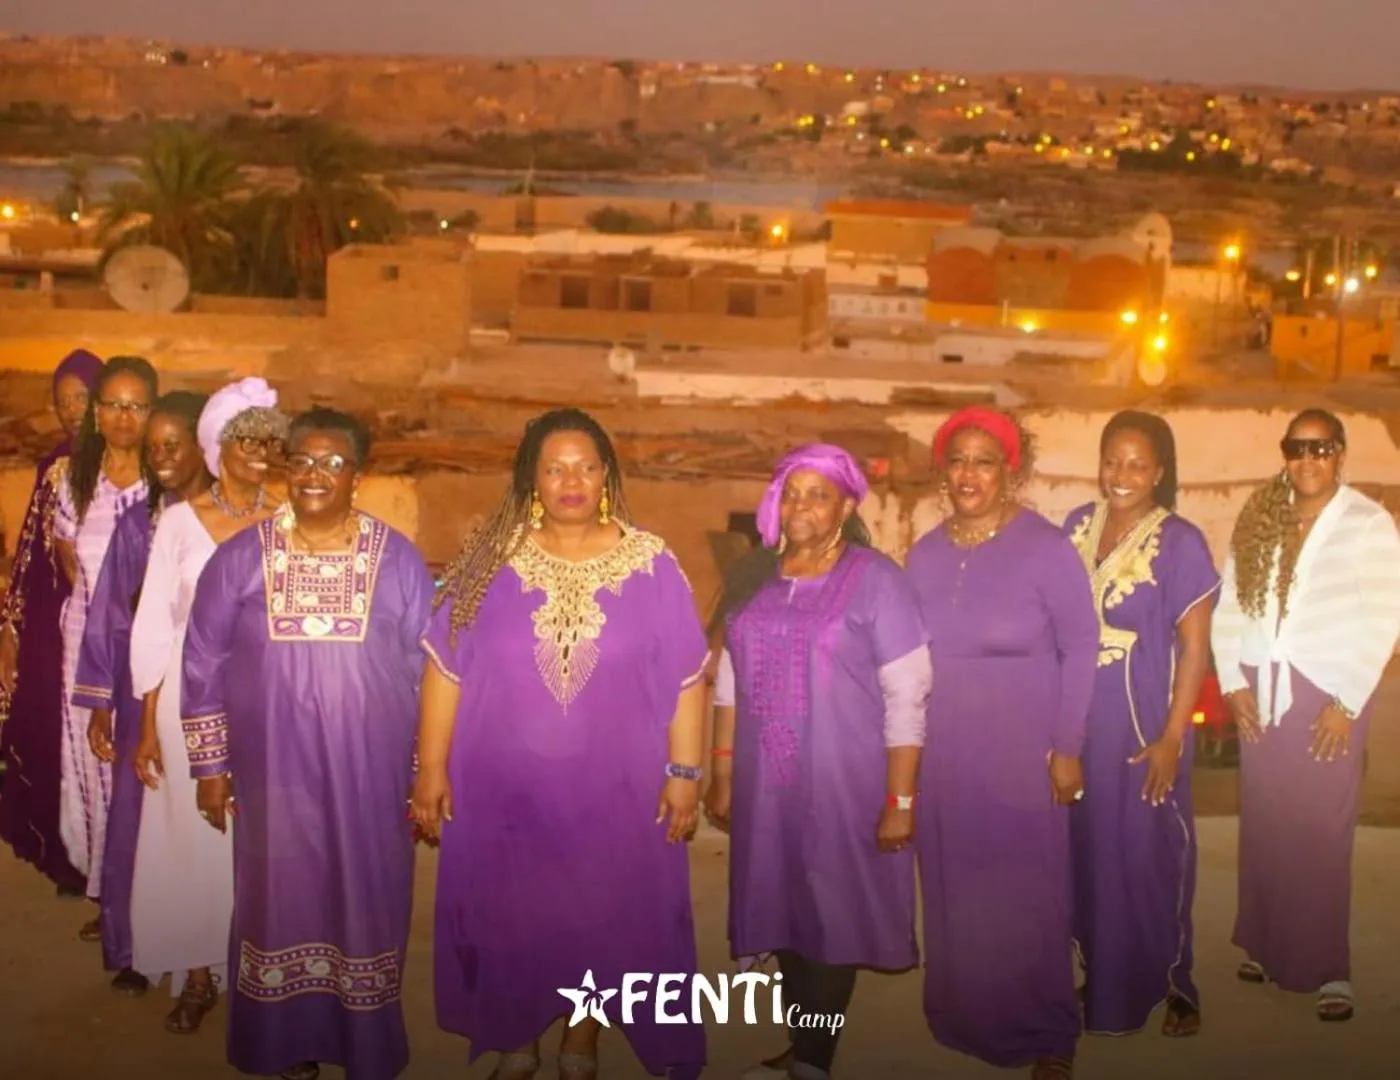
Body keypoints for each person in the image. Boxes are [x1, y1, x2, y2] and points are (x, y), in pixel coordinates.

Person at [412, 408, 709, 1080]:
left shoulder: (652, 562)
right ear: (532, 480)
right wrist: (430, 768)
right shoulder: (489, 562)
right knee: (513, 912)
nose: (570, 479)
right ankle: (517, 1030)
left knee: (604, 911)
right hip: (505, 787)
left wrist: (685, 771)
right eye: (554, 467)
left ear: (605, 475)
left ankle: (583, 1035)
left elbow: (688, 678)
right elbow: (444, 669)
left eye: (585, 465)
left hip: (619, 786)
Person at [179, 407, 432, 1080]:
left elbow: (425, 667)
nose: (315, 475)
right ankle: (282, 1045)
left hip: (370, 778)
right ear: (286, 470)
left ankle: (364, 1047)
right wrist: (211, 766)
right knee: (278, 898)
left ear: (359, 475)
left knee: (367, 899)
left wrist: (422, 772)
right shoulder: (240, 559)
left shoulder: (398, 560)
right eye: (303, 462)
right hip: (273, 776)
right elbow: (202, 659)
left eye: (333, 463)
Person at [704, 444, 931, 1080]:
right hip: (766, 785)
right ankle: (805, 1043)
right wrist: (722, 771)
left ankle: (812, 1061)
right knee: (783, 911)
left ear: (847, 505)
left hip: (843, 781)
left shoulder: (877, 579)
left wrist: (901, 800)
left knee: (832, 917)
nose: (802, 505)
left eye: (819, 493)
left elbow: (908, 692)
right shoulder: (755, 575)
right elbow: (729, 676)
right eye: (792, 492)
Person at [905, 406, 1098, 1080]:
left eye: (984, 460)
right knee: (957, 886)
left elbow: (1082, 646)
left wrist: (1068, 746)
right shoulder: (924, 554)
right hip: (946, 752)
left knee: (1028, 894)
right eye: (957, 460)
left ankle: (1049, 1033)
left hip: (1023, 751)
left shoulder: (1046, 548)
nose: (968, 473)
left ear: (1009, 472)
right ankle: (966, 1014)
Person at [1213, 408, 1400, 1023]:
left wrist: (1346, 704)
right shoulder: (1262, 518)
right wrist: (1233, 680)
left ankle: (1329, 968)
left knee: (1322, 830)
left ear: (1341, 454)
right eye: (1298, 448)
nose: (1309, 459)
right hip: (1262, 690)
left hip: (1327, 696)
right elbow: (1231, 604)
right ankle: (1264, 944)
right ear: (1285, 454)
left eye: (1322, 449)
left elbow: (1383, 620)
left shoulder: (1368, 525)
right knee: (1267, 822)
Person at [128, 378, 288, 1035]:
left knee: (264, 846)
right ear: (218, 448)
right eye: (245, 441)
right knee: (192, 841)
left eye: (269, 442)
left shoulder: (287, 519)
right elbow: (154, 626)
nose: (258, 454)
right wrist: (147, 724)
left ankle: (260, 979)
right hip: (187, 704)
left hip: (269, 705)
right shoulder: (179, 522)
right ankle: (197, 977)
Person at [1063, 411, 1219, 1038]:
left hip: (1142, 726)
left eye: (1137, 463)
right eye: (1112, 460)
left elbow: (1195, 648)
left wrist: (1172, 738)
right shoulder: (1077, 525)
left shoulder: (1181, 541)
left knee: (1150, 854)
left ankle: (1176, 983)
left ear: (1159, 471)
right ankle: (1101, 972)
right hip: (1076, 725)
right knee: (1087, 851)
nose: (1122, 474)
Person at [77, 390, 213, 997]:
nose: (159, 456)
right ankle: (139, 945)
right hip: (146, 693)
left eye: (172, 444)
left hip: (222, 696)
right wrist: (103, 701)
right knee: (140, 818)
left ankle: (220, 954)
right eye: (153, 445)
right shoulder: (140, 522)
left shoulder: (241, 519)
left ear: (204, 445)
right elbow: (108, 614)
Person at [54, 355, 159, 941]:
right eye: (112, 405)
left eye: (136, 405)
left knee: (142, 771)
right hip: (84, 650)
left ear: (152, 411)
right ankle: (109, 894)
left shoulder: (165, 483)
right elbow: (72, 568)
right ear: (96, 413)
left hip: (147, 653)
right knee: (94, 772)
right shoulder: (71, 482)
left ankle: (147, 895)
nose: (123, 417)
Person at [0, 348, 104, 898]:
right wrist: (12, 631)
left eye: (80, 398)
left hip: (108, 626)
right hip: (51, 625)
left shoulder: (125, 465)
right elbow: (26, 557)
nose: (70, 410)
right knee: (55, 737)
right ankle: (67, 858)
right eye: (61, 400)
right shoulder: (52, 465)